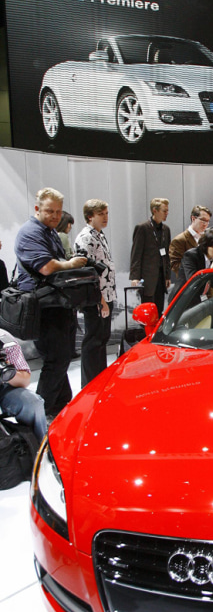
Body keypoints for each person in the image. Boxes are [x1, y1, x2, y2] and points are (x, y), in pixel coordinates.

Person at [14, 187, 87, 420]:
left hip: (57, 305)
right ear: (37, 209)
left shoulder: (49, 231)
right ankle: (41, 414)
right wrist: (72, 264)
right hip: (43, 307)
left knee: (62, 357)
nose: (55, 216)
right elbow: (46, 267)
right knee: (55, 359)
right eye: (50, 211)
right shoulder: (30, 232)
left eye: (58, 211)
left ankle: (61, 406)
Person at [74, 199, 116, 388]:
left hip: (106, 295)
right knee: (93, 342)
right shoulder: (85, 237)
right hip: (96, 299)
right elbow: (88, 274)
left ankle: (99, 381)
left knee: (101, 340)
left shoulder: (99, 235)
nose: (106, 217)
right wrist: (101, 301)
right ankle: (89, 386)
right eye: (101, 214)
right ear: (90, 216)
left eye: (106, 213)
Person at [0, 328, 47, 440]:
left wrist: (6, 372)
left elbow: (24, 380)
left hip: (3, 386)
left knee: (32, 403)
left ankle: (38, 448)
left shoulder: (5, 340)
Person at [129, 197, 171, 316]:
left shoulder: (166, 229)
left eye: (167, 211)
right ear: (154, 210)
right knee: (147, 310)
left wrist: (167, 275)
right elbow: (136, 253)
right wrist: (135, 277)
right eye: (164, 211)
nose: (167, 213)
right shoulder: (142, 228)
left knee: (159, 308)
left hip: (161, 276)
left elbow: (166, 254)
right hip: (147, 277)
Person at [169, 228, 213, 302]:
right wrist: (211, 270)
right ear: (205, 245)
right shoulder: (191, 255)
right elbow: (193, 283)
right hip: (183, 301)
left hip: (200, 299)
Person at [169, 205, 212, 274]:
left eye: (207, 221)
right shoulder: (179, 240)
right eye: (203, 220)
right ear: (193, 218)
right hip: (190, 281)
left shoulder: (207, 237)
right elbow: (175, 266)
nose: (205, 224)